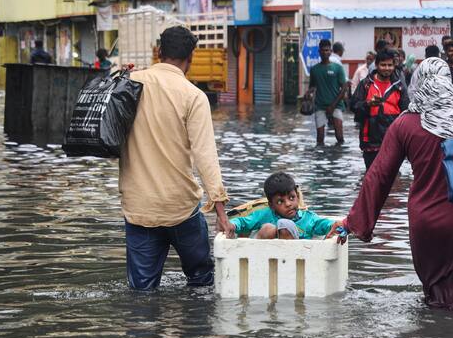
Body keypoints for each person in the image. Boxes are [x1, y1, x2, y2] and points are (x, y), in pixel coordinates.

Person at [335, 57, 453, 312]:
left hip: (426, 223)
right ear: (448, 81)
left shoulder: (404, 123)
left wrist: (353, 223)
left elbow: (379, 176)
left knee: (436, 297)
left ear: (417, 82)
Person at [118, 26, 231, 290]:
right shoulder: (193, 96)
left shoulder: (129, 83)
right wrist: (221, 212)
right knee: (202, 283)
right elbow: (206, 157)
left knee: (141, 293)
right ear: (190, 57)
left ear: (159, 52)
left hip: (139, 208)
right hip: (180, 208)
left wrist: (122, 76)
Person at [224, 172, 338, 241]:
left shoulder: (308, 218)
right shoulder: (265, 214)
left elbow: (324, 224)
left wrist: (335, 225)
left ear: (298, 197)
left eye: (292, 198)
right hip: (263, 261)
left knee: (285, 226)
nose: (288, 204)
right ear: (271, 205)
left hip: (298, 263)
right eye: (280, 202)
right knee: (268, 228)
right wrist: (233, 225)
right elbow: (243, 222)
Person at [351, 48, 409, 170]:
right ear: (377, 65)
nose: (386, 68)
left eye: (389, 65)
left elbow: (406, 113)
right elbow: (353, 106)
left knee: (390, 179)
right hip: (370, 141)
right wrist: (367, 104)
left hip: (393, 141)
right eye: (383, 65)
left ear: (394, 66)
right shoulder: (365, 84)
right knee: (372, 177)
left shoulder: (399, 87)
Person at [308, 39, 346, 146]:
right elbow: (312, 86)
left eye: (327, 50)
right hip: (320, 106)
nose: (325, 53)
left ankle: (338, 156)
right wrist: (308, 94)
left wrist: (333, 106)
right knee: (320, 139)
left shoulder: (337, 68)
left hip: (336, 105)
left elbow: (344, 88)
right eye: (323, 50)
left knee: (339, 137)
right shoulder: (314, 70)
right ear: (319, 52)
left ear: (330, 52)